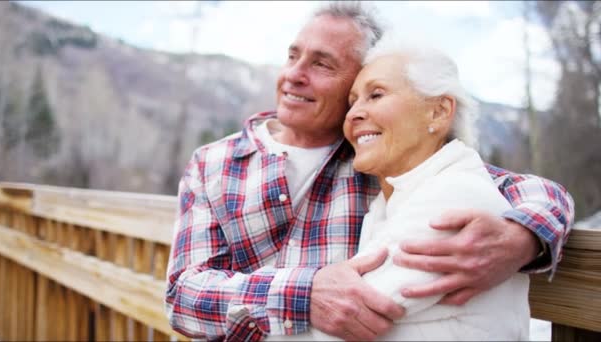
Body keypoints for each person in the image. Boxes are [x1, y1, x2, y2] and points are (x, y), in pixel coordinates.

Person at [165, 2, 574, 341]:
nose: (294, 74)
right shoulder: (215, 163)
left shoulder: (378, 155)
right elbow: (182, 296)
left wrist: (525, 235)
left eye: (322, 64)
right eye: (293, 55)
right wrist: (304, 294)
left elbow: (521, 189)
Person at [278, 36, 531, 341]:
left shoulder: (455, 197)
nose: (353, 113)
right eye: (352, 101)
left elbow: (340, 323)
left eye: (376, 95)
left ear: (438, 112)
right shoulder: (391, 201)